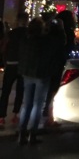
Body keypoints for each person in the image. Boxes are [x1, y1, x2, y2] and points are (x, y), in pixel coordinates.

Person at [18, 17, 61, 145]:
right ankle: (33, 133)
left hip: (27, 73)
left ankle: (22, 132)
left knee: (27, 104)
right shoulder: (47, 41)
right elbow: (53, 55)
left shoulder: (25, 40)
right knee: (37, 104)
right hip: (42, 74)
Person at [0, 12, 29, 129]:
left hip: (11, 64)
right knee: (20, 91)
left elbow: (3, 48)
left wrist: (5, 60)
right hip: (22, 65)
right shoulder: (29, 34)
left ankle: (1, 116)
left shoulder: (11, 34)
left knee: (5, 91)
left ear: (18, 21)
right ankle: (15, 114)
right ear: (26, 20)